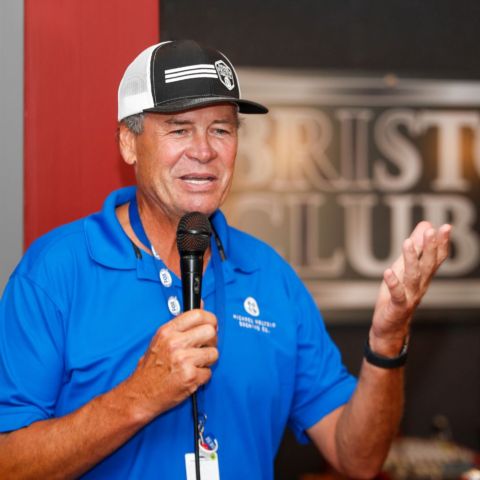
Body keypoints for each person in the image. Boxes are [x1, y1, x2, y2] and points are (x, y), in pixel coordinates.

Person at [0, 40, 450, 479]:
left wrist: (388, 340)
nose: (204, 150)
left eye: (221, 128)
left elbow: (358, 458)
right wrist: (138, 396)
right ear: (128, 143)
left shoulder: (269, 276)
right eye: (180, 128)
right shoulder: (55, 273)